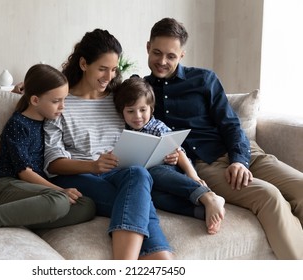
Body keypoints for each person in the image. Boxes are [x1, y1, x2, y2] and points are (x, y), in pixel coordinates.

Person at [143, 17, 303, 259]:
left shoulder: (204, 79)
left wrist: (240, 160)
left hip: (244, 152)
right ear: (147, 47)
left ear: (182, 55)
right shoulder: (140, 92)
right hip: (207, 167)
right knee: (269, 197)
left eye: (171, 56)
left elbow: (230, 124)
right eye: (157, 53)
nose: (162, 62)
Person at [43, 29, 174, 260]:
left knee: (139, 174)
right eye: (102, 69)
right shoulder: (60, 103)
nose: (109, 76)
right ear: (84, 63)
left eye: (114, 69)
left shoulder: (117, 99)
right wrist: (93, 166)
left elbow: (145, 116)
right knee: (140, 196)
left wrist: (164, 152)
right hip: (79, 176)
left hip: (121, 175)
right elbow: (53, 164)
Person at [0, 64, 95, 240]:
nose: (62, 107)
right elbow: (24, 172)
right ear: (35, 100)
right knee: (59, 201)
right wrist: (60, 190)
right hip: (8, 186)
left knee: (86, 205)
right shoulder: (18, 124)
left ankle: (15, 215)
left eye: (64, 99)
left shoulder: (48, 122)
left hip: (33, 191)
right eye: (56, 101)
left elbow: (41, 86)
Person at [113, 76, 225, 234]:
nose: (137, 116)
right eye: (130, 111)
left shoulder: (157, 127)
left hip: (169, 170)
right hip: (149, 181)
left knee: (154, 171)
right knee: (154, 197)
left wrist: (193, 176)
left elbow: (179, 152)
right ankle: (201, 212)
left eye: (142, 110)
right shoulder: (124, 133)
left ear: (151, 108)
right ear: (122, 112)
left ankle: (208, 196)